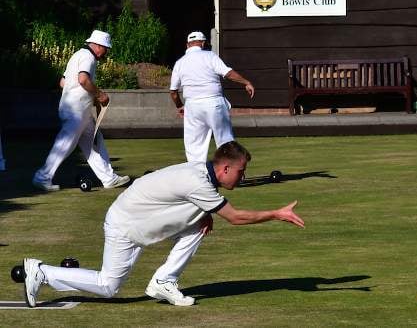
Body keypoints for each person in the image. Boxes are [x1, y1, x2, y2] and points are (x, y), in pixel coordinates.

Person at [22, 141, 304, 308]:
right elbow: (235, 217)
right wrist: (276, 214)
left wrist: (203, 213)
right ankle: (41, 272)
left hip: (136, 219)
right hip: (125, 225)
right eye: (241, 172)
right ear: (225, 168)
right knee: (108, 286)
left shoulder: (201, 175)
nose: (242, 178)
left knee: (201, 222)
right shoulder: (199, 183)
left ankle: (163, 281)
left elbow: (191, 203)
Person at [32, 30, 130, 191]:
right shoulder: (88, 57)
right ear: (98, 45)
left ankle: (109, 178)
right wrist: (99, 95)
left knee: (94, 142)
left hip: (77, 109)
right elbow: (83, 79)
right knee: (64, 145)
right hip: (76, 110)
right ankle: (42, 177)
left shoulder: (78, 55)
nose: (106, 52)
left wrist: (84, 95)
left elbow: (63, 82)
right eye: (106, 48)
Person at [169, 31, 255, 163]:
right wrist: (246, 82)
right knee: (225, 140)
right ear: (203, 43)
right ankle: (232, 173)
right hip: (213, 102)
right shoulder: (210, 56)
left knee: (194, 146)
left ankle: (197, 176)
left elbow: (173, 92)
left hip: (192, 106)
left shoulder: (180, 63)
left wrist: (180, 106)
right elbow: (227, 73)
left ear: (188, 45)